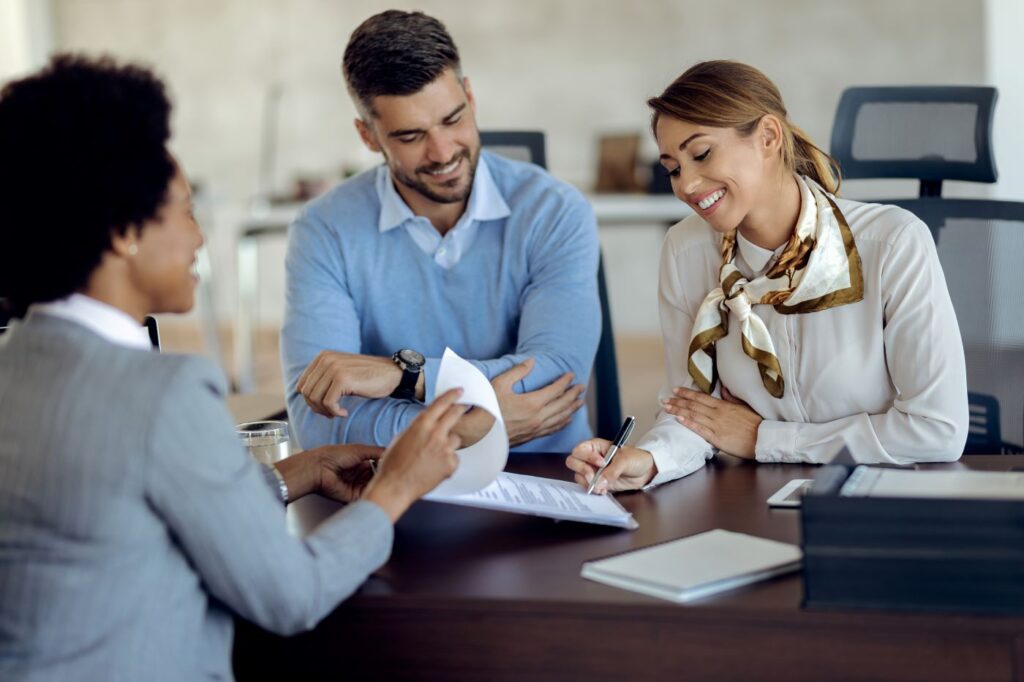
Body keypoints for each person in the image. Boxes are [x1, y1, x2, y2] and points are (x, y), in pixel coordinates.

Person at [0, 55, 467, 682]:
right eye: (183, 210)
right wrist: (397, 488)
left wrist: (293, 474)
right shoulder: (161, 393)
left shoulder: (16, 363)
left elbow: (121, 515)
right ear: (123, 232)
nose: (198, 238)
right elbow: (291, 594)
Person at [567, 60, 968, 493]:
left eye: (701, 154)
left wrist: (764, 439)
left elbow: (937, 429)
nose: (686, 185)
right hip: (751, 498)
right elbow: (695, 412)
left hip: (875, 499)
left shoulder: (891, 243)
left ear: (769, 137)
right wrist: (649, 461)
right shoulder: (686, 250)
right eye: (673, 168)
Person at [282, 10, 601, 453]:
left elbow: (557, 377)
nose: (443, 152)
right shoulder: (323, 231)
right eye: (411, 136)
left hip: (549, 475)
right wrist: (471, 429)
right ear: (368, 136)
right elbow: (319, 424)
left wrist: (406, 376)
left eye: (453, 120)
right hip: (403, 486)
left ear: (469, 96)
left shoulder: (556, 211)